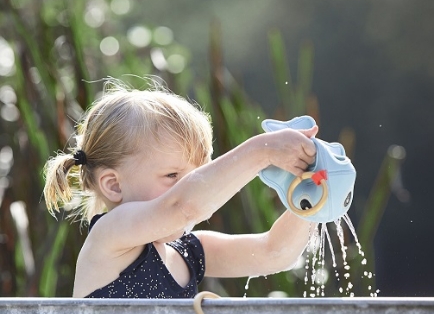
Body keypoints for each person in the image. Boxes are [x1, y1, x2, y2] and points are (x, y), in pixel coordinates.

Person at [43, 80, 318, 299]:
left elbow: (274, 253)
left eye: (195, 175)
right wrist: (262, 151)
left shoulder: (189, 253)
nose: (189, 187)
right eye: (173, 175)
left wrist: (312, 199)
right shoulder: (110, 236)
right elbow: (183, 207)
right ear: (114, 185)